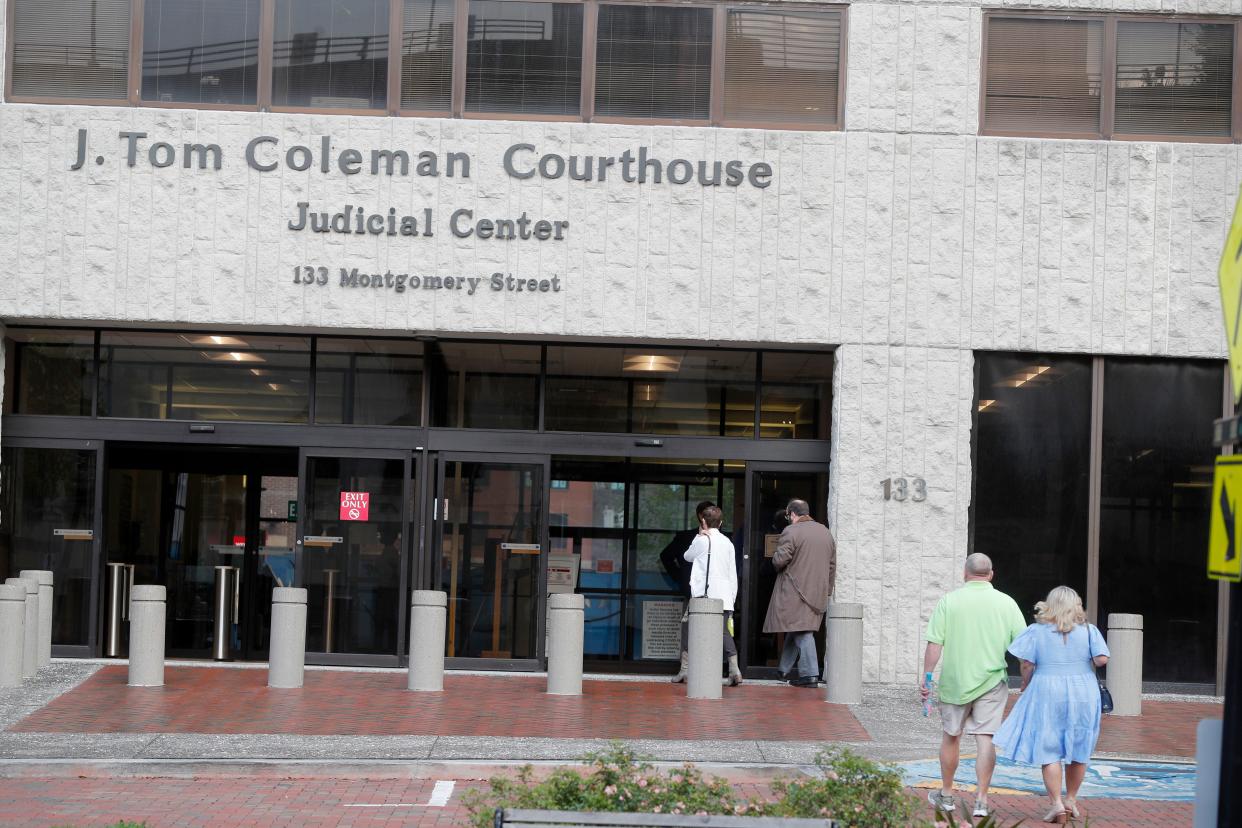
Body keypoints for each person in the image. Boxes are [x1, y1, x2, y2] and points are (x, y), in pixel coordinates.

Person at [920, 552, 1026, 821]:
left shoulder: (949, 601)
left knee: (951, 736)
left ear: (964, 573)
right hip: (992, 681)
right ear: (990, 574)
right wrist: (1027, 681)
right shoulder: (1007, 603)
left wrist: (927, 676)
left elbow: (935, 645)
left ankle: (946, 795)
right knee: (985, 738)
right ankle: (981, 800)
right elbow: (1025, 651)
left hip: (955, 681)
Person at [993, 586, 1110, 824]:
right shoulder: (1089, 631)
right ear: (1076, 605)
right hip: (1083, 691)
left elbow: (1027, 663)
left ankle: (1056, 803)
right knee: (1080, 746)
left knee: (1049, 747)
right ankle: (1071, 800)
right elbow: (1101, 659)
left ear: (1050, 604)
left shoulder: (1036, 631)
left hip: (1046, 689)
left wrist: (1026, 683)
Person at [762, 499, 836, 687]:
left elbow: (779, 561)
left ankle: (810, 675)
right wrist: (827, 589)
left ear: (792, 514)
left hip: (796, 591)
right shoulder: (825, 532)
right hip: (818, 592)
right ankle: (783, 670)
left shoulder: (791, 531)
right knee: (797, 627)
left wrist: (775, 555)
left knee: (803, 632)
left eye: (788, 515)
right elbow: (832, 565)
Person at [683, 505, 741, 686]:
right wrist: (732, 598)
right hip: (724, 595)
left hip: (703, 594)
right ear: (721, 523)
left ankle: (688, 670)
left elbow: (687, 556)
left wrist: (698, 535)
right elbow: (733, 572)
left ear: (703, 522)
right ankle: (734, 669)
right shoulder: (728, 543)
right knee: (724, 632)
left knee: (692, 630)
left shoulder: (701, 540)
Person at [659, 500, 716, 683]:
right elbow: (666, 556)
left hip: (712, 592)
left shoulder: (720, 539)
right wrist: (679, 577)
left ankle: (702, 669)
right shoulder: (687, 537)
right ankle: (687, 669)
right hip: (694, 591)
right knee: (690, 630)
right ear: (701, 516)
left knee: (706, 631)